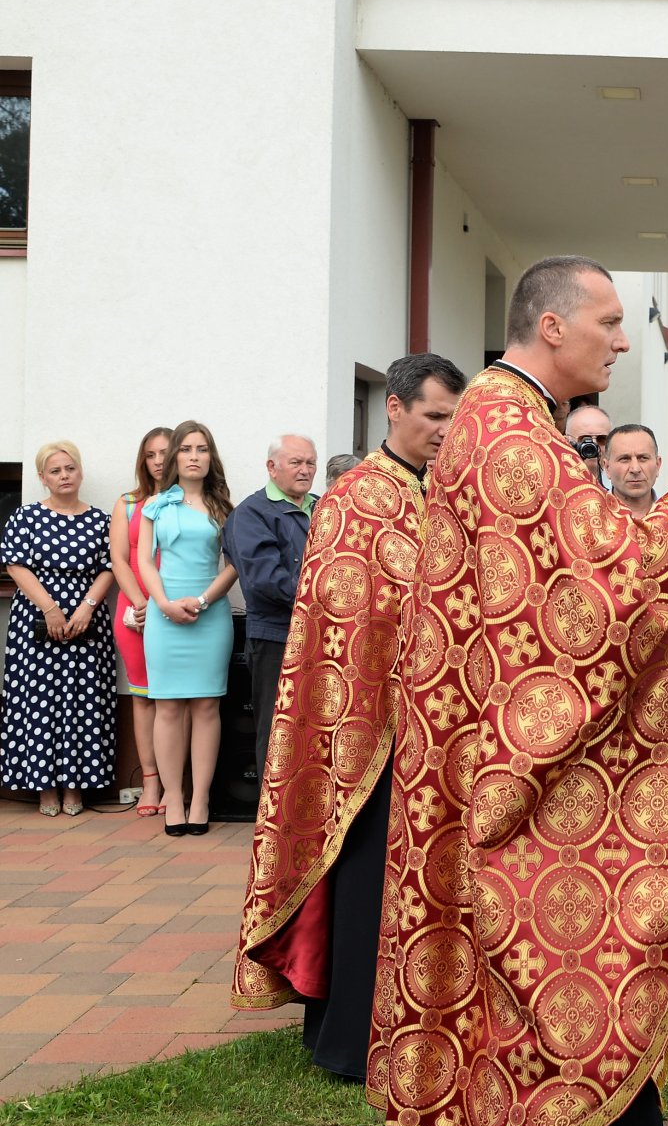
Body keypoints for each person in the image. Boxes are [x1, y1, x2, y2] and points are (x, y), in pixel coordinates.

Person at [366, 255, 668, 1126]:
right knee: (560, 951)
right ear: (552, 327)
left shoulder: (504, 423)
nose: (623, 341)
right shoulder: (513, 438)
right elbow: (609, 591)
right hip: (516, 775)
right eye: (610, 321)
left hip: (483, 742)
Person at [232, 353, 467, 1084]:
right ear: (393, 408)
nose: (444, 430)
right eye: (434, 415)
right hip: (368, 730)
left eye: (453, 418)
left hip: (437, 725)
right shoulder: (355, 498)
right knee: (368, 880)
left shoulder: (442, 490)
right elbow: (347, 613)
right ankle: (351, 1036)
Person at [2, 442, 115, 816]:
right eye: (55, 471)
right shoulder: (26, 516)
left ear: (80, 472)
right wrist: (50, 609)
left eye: (69, 468)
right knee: (36, 703)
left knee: (82, 702)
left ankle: (75, 787)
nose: (64, 476)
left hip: (88, 619)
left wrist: (86, 608)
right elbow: (16, 566)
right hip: (35, 617)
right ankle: (43, 788)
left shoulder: (101, 520)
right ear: (42, 478)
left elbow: (109, 567)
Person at [138, 422, 238, 837]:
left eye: (202, 449)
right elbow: (145, 561)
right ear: (173, 456)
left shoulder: (224, 509)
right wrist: (163, 604)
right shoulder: (155, 506)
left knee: (206, 707)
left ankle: (200, 798)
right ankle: (172, 797)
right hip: (163, 617)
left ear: (211, 457)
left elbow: (234, 565)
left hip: (209, 615)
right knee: (167, 707)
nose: (194, 456)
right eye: (186, 449)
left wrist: (201, 601)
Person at [223, 434, 319, 783]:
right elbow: (264, 581)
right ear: (271, 467)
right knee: (279, 731)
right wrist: (329, 597)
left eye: (310, 462)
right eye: (296, 462)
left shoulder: (322, 507)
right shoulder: (250, 514)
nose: (305, 470)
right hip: (276, 639)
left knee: (317, 733)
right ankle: (273, 826)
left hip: (324, 635)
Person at [109, 426, 173, 815]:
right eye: (151, 454)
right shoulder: (128, 503)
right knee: (144, 698)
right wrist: (139, 602)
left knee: (175, 697)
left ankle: (172, 785)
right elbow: (119, 558)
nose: (159, 461)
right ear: (143, 460)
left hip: (175, 609)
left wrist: (163, 604)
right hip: (135, 612)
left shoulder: (189, 501)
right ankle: (150, 783)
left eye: (166, 452)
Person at [606, 423, 661, 516]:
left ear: (658, 465)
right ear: (607, 468)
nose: (635, 469)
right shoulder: (589, 517)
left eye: (643, 458)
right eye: (624, 459)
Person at [564, 401, 612, 488]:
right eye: (585, 439)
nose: (594, 445)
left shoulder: (620, 487)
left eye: (601, 439)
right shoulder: (554, 481)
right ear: (567, 441)